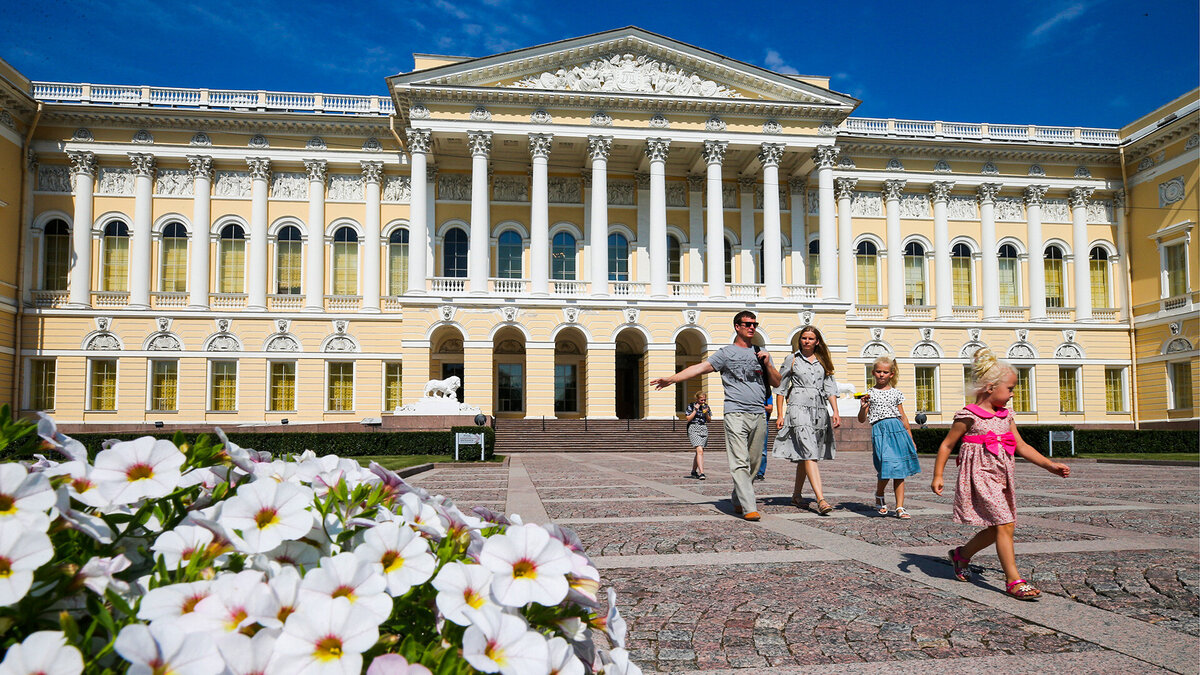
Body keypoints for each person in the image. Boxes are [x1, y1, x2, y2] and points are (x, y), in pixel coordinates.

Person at [932, 348, 1071, 601]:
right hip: (979, 476)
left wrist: (1050, 465)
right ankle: (1014, 580)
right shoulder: (968, 415)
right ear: (989, 387)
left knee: (999, 527)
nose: (1012, 394)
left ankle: (961, 555)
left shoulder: (1007, 416)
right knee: (1005, 525)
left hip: (1001, 477)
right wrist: (938, 475)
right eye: (1009, 389)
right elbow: (947, 445)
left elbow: (1022, 446)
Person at [652, 310, 781, 521]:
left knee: (755, 462)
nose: (752, 328)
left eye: (754, 324)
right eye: (747, 324)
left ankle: (738, 497)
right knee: (739, 460)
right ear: (737, 327)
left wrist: (767, 363)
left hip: (758, 413)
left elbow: (777, 382)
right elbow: (700, 367)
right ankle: (750, 506)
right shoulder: (725, 353)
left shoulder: (761, 352)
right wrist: (672, 379)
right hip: (735, 412)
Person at [774, 325, 840, 515]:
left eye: (811, 338)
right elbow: (781, 387)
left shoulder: (823, 361)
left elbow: (830, 388)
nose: (807, 341)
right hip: (798, 407)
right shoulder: (792, 359)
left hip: (819, 410)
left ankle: (796, 495)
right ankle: (821, 499)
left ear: (817, 341)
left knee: (806, 454)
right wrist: (780, 414)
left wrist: (835, 410)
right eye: (804, 338)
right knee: (810, 453)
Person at [857, 355, 921, 519]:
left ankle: (900, 507)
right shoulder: (869, 394)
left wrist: (911, 437)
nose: (881, 375)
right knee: (885, 468)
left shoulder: (896, 393)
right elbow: (862, 419)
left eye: (885, 372)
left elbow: (903, 416)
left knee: (899, 470)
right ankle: (879, 493)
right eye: (878, 371)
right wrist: (863, 407)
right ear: (873, 373)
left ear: (891, 374)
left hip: (898, 430)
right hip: (881, 431)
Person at [684, 391, 712, 480]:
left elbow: (709, 420)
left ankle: (693, 471)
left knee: (699, 452)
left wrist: (706, 413)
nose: (703, 402)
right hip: (693, 428)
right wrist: (695, 410)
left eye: (704, 400)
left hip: (703, 428)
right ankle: (702, 472)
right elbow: (688, 418)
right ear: (697, 399)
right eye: (701, 400)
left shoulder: (706, 407)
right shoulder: (691, 406)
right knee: (700, 451)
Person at [753, 394, 773, 481]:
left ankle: (760, 472)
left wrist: (758, 406)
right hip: (751, 423)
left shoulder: (767, 393)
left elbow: (770, 408)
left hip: (763, 423)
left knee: (763, 451)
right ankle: (751, 471)